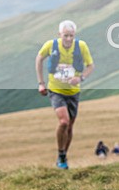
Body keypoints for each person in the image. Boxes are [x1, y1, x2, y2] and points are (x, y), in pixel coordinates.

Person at [35, 20, 94, 169]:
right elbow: (39, 59)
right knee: (64, 121)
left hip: (73, 92)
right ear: (59, 35)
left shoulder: (81, 46)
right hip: (56, 90)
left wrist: (80, 78)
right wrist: (41, 83)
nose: (68, 39)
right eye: (65, 36)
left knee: (70, 126)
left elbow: (90, 65)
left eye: (71, 36)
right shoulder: (51, 45)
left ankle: (62, 157)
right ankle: (61, 154)